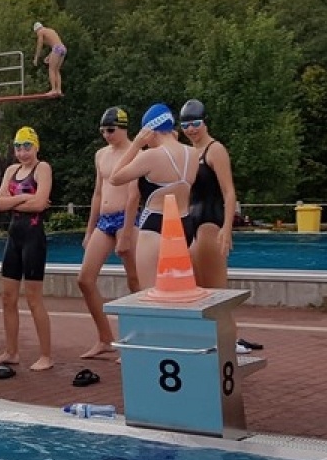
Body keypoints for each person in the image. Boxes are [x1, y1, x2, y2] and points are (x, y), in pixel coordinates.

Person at [180, 98, 263, 355]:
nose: (191, 129)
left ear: (205, 122)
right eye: (186, 125)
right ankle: (215, 340)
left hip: (210, 223)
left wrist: (227, 228)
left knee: (216, 292)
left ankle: (228, 342)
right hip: (192, 223)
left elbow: (229, 193)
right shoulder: (187, 153)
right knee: (198, 291)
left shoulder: (215, 150)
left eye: (195, 123)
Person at [108, 104, 194, 289]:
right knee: (178, 292)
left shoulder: (152, 156)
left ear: (150, 132)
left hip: (155, 225)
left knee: (151, 295)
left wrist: (136, 146)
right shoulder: (193, 154)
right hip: (185, 225)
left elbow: (115, 178)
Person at [78, 107, 141, 359]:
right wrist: (89, 229)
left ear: (123, 128)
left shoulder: (135, 153)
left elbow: (134, 194)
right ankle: (105, 338)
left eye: (111, 130)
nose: (106, 135)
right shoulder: (101, 155)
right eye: (103, 130)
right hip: (104, 221)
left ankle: (137, 340)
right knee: (84, 279)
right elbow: (98, 193)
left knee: (136, 281)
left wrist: (126, 232)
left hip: (128, 220)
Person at [0, 126, 54, 371]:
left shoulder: (43, 168)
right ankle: (11, 352)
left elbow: (40, 204)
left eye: (27, 146)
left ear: (36, 147)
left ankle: (46, 355)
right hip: (14, 236)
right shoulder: (11, 170)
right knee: (7, 298)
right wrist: (23, 199)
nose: (22, 152)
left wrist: (14, 201)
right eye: (18, 147)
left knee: (34, 299)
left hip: (33, 238)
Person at [31, 21, 66, 97]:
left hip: (56, 48)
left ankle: (53, 90)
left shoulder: (40, 32)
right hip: (62, 48)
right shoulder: (50, 30)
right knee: (56, 70)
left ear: (36, 30)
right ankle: (58, 90)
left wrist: (36, 58)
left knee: (51, 69)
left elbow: (39, 45)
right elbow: (56, 43)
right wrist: (49, 56)